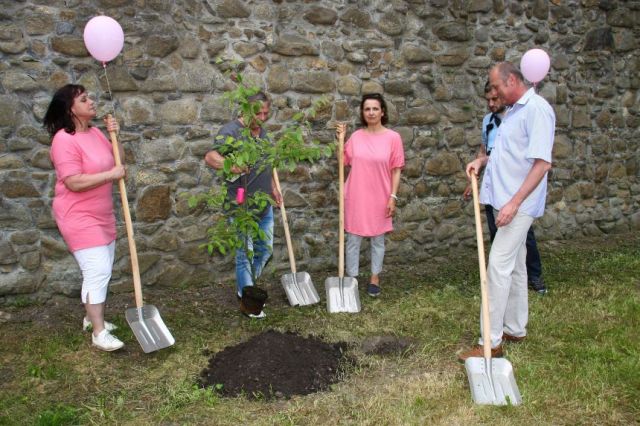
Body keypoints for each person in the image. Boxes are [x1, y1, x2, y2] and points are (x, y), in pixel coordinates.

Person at [459, 62, 555, 361]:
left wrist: (514, 203)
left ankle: (491, 341)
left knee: (497, 267)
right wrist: (482, 162)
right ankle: (515, 327)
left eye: (497, 86)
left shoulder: (537, 109)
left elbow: (542, 163)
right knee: (516, 265)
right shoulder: (513, 110)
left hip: (518, 205)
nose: (495, 93)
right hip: (503, 200)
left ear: (512, 80)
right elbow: (509, 154)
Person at [44, 84, 126, 352]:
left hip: (102, 213)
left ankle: (91, 318)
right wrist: (111, 176)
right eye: (84, 99)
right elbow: (74, 182)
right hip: (77, 215)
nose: (91, 101)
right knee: (97, 270)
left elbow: (119, 163)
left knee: (102, 269)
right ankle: (99, 332)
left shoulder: (95, 132)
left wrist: (115, 136)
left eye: (89, 97)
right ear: (71, 109)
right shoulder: (63, 140)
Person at [464, 82, 547, 295]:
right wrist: (475, 177)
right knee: (498, 235)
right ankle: (506, 279)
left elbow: (538, 159)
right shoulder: (488, 122)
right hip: (494, 188)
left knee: (523, 236)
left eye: (495, 99)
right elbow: (484, 152)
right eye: (488, 101)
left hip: (514, 189)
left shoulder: (519, 117)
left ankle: (534, 275)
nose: (491, 104)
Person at [204, 91, 282, 318]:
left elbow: (269, 165)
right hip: (241, 208)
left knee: (264, 251)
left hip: (264, 206)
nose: (263, 117)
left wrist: (275, 189)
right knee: (244, 253)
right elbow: (210, 157)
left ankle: (247, 288)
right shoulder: (231, 132)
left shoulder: (264, 135)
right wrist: (232, 165)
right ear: (247, 110)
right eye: (258, 112)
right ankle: (248, 297)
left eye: (267, 113)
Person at [338, 93, 405, 297]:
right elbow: (343, 162)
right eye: (367, 109)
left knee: (378, 240)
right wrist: (340, 141)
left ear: (382, 111)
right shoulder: (356, 137)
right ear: (362, 113)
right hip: (356, 195)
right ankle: (352, 279)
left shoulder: (393, 138)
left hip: (380, 195)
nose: (371, 112)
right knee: (353, 239)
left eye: (375, 108)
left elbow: (396, 169)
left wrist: (393, 197)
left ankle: (374, 278)